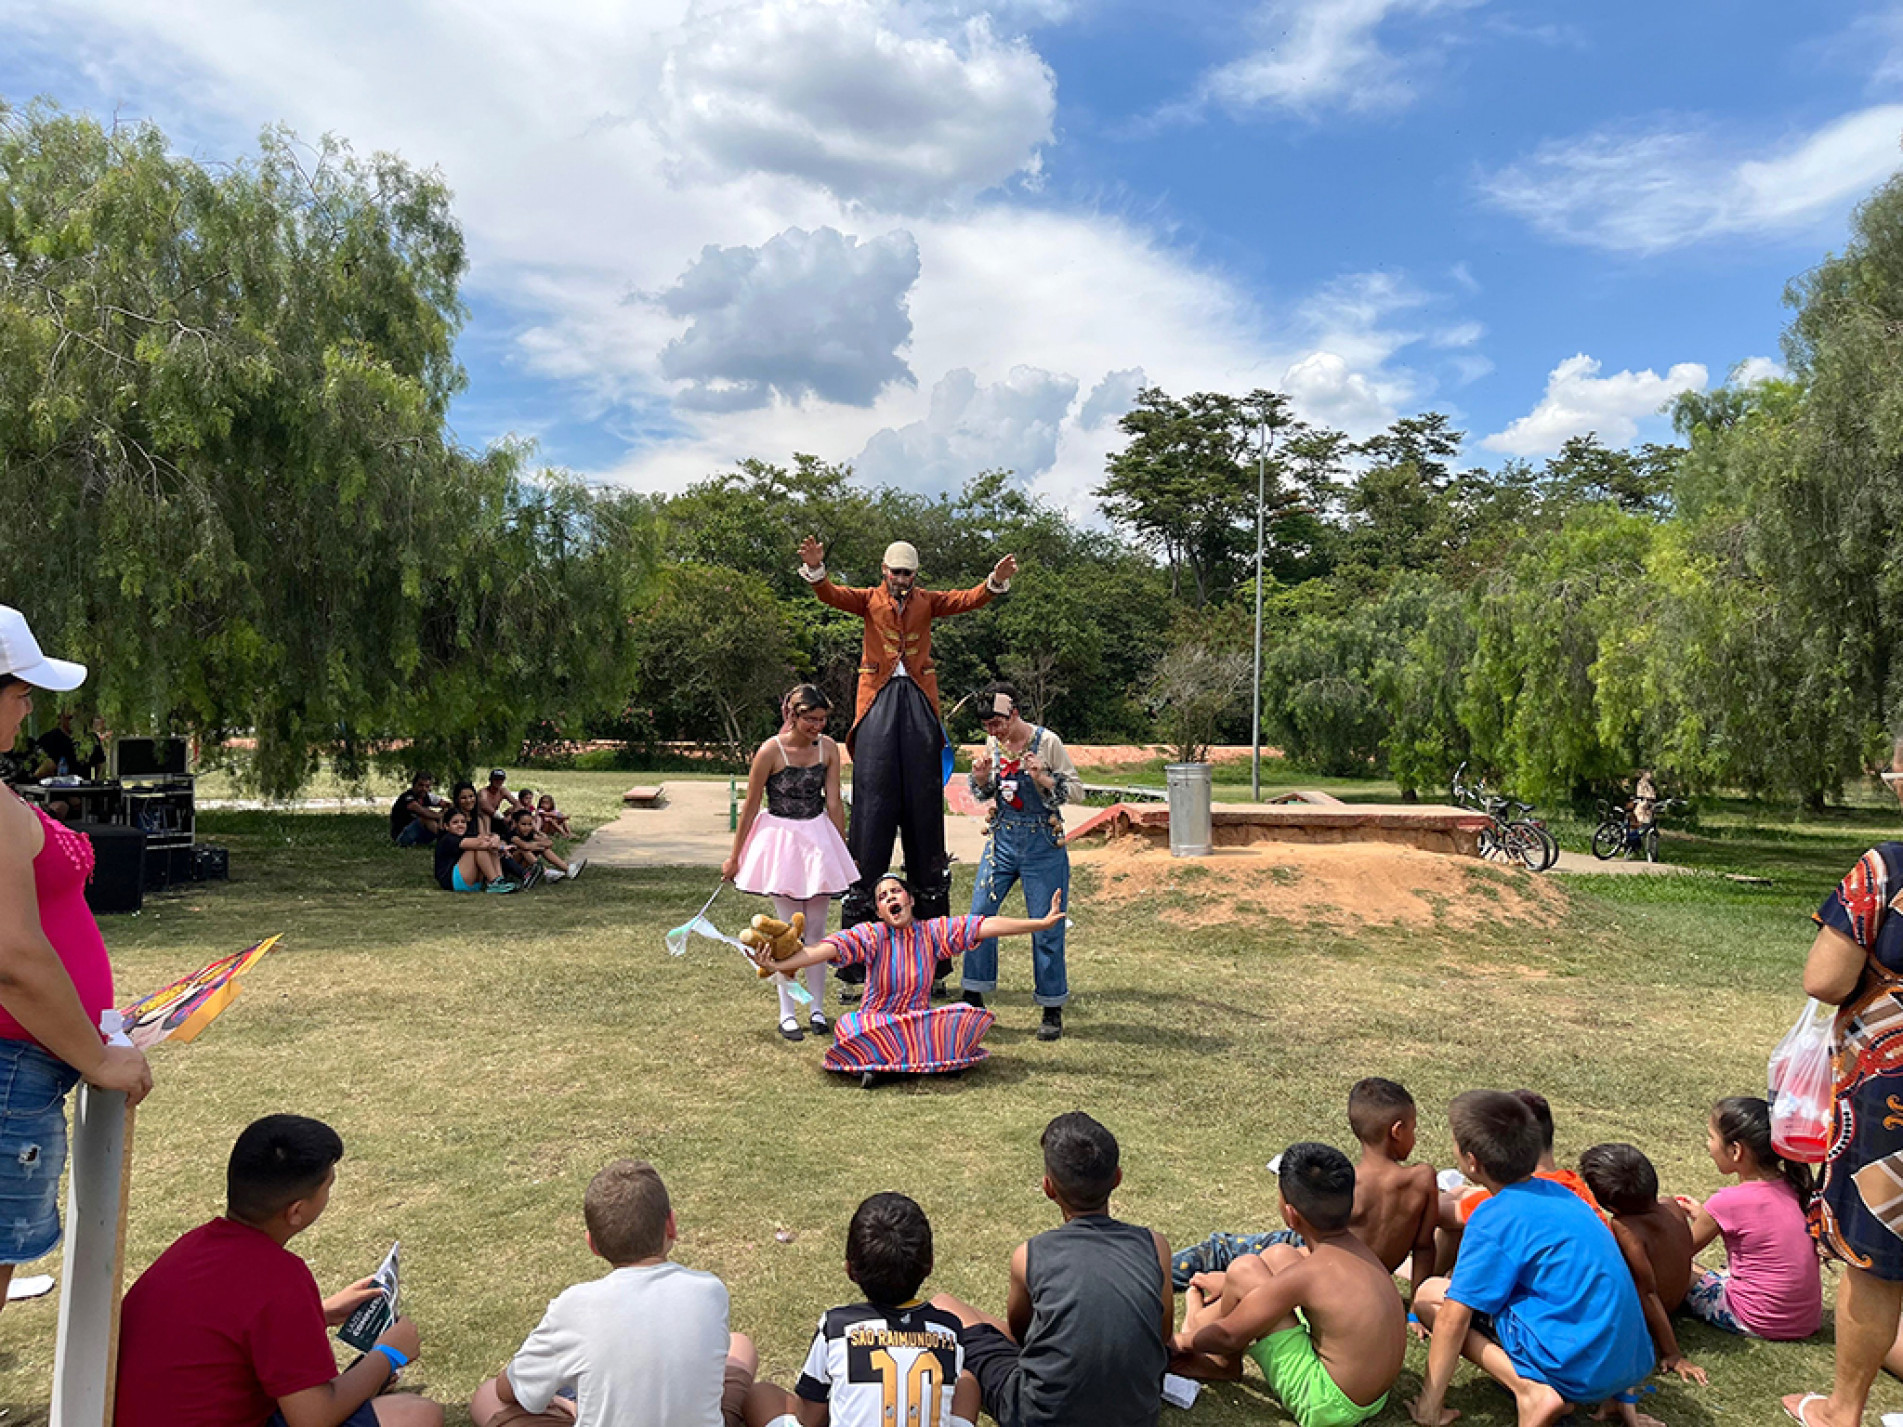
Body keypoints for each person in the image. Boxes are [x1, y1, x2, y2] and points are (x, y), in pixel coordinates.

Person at [0, 604, 154, 1310]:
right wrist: (97, 1058)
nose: (28, 707)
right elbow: (12, 956)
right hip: (11, 1074)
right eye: (20, 692)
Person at [114, 1113, 440, 1427]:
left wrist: (320, 1314)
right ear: (296, 1212)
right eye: (327, 1186)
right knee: (416, 1415)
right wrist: (388, 1354)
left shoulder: (192, 1247)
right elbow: (313, 1417)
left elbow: (224, 1331)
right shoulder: (280, 1277)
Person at [797, 535, 1017, 940]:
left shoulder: (927, 601)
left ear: (916, 574)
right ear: (885, 570)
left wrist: (994, 582)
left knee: (923, 806)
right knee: (872, 805)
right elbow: (830, 594)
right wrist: (815, 568)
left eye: (908, 573)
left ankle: (930, 930)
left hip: (918, 697)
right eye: (896, 572)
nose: (901, 578)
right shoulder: (868, 599)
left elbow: (967, 599)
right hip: (877, 697)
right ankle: (860, 939)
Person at [1408, 1090, 1652, 1427]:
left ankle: (1531, 1392)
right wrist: (1622, 1394)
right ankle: (1607, 1395)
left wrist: (1429, 1407)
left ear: (1472, 1162)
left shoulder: (1495, 1216)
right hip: (1627, 1363)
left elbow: (1454, 1316)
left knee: (1430, 1296)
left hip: (1574, 1369)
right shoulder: (1566, 1195)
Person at [1785, 735, 1903, 1427]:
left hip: (1891, 1097)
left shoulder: (1885, 870)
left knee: (1876, 1256)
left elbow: (1825, 979)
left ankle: (1841, 1409)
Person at [469, 1158, 757, 1427]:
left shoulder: (574, 1307)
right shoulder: (710, 1290)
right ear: (671, 1225)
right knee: (740, 1345)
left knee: (487, 1396)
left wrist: (565, 1405)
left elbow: (508, 1389)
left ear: (592, 1244)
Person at [930, 1112, 1172, 1427]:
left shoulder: (1030, 1255)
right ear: (1117, 1178)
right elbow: (1162, 1334)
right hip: (1137, 1416)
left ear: (1048, 1187)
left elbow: (1021, 1335)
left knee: (943, 1305)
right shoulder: (1155, 1246)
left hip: (1039, 1416)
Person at [1171, 1142, 1405, 1427]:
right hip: (1373, 1397)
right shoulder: (1357, 1253)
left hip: (1328, 1406)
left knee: (1244, 1270)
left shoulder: (1310, 1274)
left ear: (1291, 1215)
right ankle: (1205, 1315)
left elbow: (1229, 1337)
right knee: (1278, 1255)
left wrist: (1178, 1342)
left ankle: (1221, 1362)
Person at [754, 876, 1062, 1087]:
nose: (890, 897)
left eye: (896, 892)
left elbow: (984, 926)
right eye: (883, 897)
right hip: (877, 1023)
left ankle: (883, 1066)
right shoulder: (870, 935)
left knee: (963, 1014)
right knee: (849, 1026)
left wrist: (1040, 923)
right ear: (879, 912)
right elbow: (822, 950)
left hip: (917, 1023)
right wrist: (779, 964)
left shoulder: (933, 932)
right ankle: (930, 1061)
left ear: (910, 900)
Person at [1170, 1077, 1437, 1297]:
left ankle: (1158, 1273)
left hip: (1320, 1259)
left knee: (1222, 1248)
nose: (1414, 1136)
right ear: (1397, 1131)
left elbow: (1311, 1242)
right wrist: (1416, 1310)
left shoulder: (1346, 1184)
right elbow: (1424, 1247)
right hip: (1361, 1282)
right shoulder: (1423, 1180)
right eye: (1414, 1129)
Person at [742, 1192, 979, 1427]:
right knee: (966, 1383)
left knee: (761, 1394)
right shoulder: (949, 1329)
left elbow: (809, 1418)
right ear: (930, 1265)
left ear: (850, 1269)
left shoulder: (836, 1327)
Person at [723, 685, 856, 1042]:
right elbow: (751, 806)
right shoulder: (771, 750)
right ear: (793, 716)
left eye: (822, 719)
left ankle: (816, 1008)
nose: (818, 726)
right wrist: (735, 857)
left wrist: (842, 848)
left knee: (817, 930)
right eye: (811, 719)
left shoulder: (828, 748)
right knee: (785, 933)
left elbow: (834, 803)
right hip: (781, 842)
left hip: (817, 839)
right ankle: (787, 1012)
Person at [961, 683, 1083, 1042]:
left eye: (998, 723)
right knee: (980, 916)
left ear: (1014, 714)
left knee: (1047, 924)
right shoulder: (993, 745)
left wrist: (1043, 777)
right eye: (987, 726)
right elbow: (988, 793)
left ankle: (1051, 1006)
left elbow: (1077, 790)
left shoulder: (1047, 742)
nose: (993, 732)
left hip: (1043, 841)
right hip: (1002, 839)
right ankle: (973, 994)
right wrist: (980, 780)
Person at [1676, 1096, 1820, 1342]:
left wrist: (1669, 1222)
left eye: (1711, 1137)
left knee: (1683, 1271)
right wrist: (1705, 1217)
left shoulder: (1727, 1202)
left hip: (1756, 1319)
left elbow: (1677, 1255)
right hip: (1803, 1321)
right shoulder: (1793, 1185)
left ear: (1736, 1151)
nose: (1708, 1145)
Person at [1577, 1143, 1705, 1386]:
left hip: (1652, 1312)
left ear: (1612, 1206)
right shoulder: (1671, 1206)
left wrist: (1672, 1353)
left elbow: (1647, 1292)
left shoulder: (1626, 1228)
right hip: (1678, 1298)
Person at [1437, 1087, 1602, 1271]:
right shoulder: (1567, 1186)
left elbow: (1441, 1213)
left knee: (1433, 1285)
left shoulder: (1508, 1202)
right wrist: (1461, 1191)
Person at [434, 808, 517, 894]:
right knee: (479, 848)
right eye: (455, 822)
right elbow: (479, 844)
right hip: (453, 882)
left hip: (472, 881)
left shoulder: (466, 835)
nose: (460, 825)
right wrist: (501, 847)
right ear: (446, 826)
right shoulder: (447, 838)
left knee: (489, 848)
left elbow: (487, 838)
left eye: (463, 822)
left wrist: (496, 839)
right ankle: (494, 881)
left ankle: (499, 879)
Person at [508, 807, 577, 884]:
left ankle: (567, 869)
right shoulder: (512, 835)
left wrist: (538, 837)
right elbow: (525, 846)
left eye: (530, 824)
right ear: (515, 823)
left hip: (525, 863)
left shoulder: (530, 834)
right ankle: (546, 872)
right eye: (523, 824)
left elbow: (549, 843)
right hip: (513, 867)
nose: (527, 828)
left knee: (544, 849)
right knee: (525, 850)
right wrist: (537, 845)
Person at [389, 773, 443, 848]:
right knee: (425, 818)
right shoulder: (408, 797)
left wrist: (445, 812)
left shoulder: (427, 797)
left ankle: (449, 839)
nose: (424, 789)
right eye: (421, 785)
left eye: (427, 786)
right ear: (414, 785)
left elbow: (448, 805)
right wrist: (441, 816)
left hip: (418, 836)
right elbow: (422, 811)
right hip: (402, 836)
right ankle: (446, 840)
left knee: (443, 816)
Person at [477, 769, 518, 834]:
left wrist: (510, 817)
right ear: (491, 780)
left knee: (512, 809)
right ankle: (487, 833)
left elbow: (517, 803)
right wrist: (501, 817)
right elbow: (484, 806)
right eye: (496, 779)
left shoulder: (503, 791)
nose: (498, 781)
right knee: (485, 814)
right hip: (483, 817)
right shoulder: (483, 792)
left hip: (496, 817)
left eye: (501, 779)